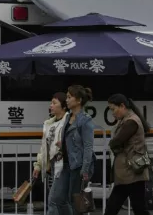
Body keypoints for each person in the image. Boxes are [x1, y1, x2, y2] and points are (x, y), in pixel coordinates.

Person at [48, 85, 95, 215]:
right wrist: (62, 144)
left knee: (77, 202)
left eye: (69, 97)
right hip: (65, 163)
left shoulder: (85, 120)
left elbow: (88, 146)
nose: (67, 100)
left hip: (78, 166)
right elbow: (69, 139)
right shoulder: (68, 117)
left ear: (78, 100)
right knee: (60, 198)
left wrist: (85, 169)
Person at [104, 94, 151, 215]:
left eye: (113, 109)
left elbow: (116, 141)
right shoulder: (128, 120)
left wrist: (114, 144)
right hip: (128, 173)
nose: (113, 113)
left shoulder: (131, 122)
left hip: (132, 172)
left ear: (122, 106)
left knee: (138, 208)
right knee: (115, 208)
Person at [34, 93, 68, 190]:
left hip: (64, 165)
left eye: (54, 103)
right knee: (60, 200)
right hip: (53, 166)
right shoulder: (48, 123)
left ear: (64, 106)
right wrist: (38, 166)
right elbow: (44, 148)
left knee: (54, 200)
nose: (51, 106)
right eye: (51, 103)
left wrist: (63, 145)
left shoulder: (68, 122)